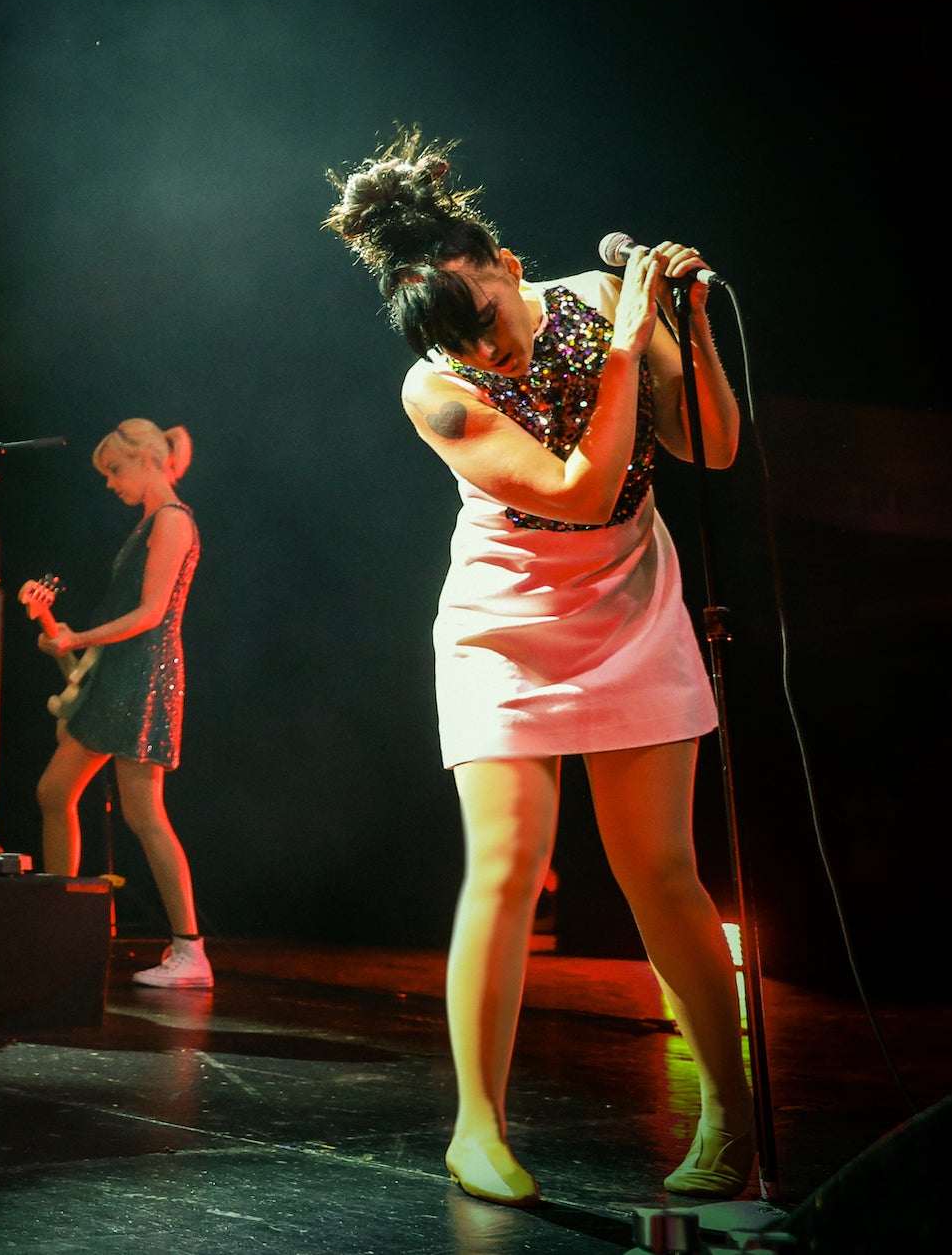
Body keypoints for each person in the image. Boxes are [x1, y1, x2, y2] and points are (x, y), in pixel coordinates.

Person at [325, 131, 750, 1206]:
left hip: (628, 596)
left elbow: (710, 447)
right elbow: (571, 483)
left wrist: (680, 329)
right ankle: (475, 1129)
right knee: (506, 867)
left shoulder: (596, 297)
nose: (492, 358)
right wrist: (620, 345)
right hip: (505, 617)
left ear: (510, 268)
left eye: (492, 326)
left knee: (658, 867)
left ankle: (734, 1123)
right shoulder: (433, 391)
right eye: (467, 348)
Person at [28, 419, 210, 989]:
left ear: (147, 461)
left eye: (114, 470)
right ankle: (63, 921)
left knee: (144, 814)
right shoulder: (152, 523)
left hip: (145, 679)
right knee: (56, 792)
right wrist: (65, 635)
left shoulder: (173, 522)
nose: (110, 484)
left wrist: (76, 640)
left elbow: (152, 614)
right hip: (124, 674)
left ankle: (190, 950)